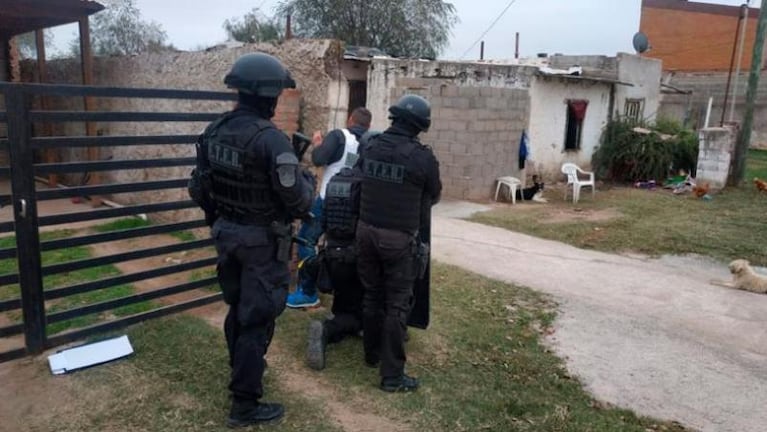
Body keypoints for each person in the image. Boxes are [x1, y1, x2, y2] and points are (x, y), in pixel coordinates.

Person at [188, 52, 315, 427]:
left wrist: (223, 218)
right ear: (271, 96)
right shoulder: (272, 141)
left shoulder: (215, 130)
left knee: (238, 307)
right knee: (256, 318)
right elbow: (298, 202)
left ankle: (242, 368)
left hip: (226, 234)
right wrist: (307, 178)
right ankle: (244, 404)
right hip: (260, 243)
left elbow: (199, 188)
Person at [355, 94, 441, 392]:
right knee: (396, 305)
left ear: (394, 118)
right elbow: (434, 194)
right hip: (397, 240)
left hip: (364, 232)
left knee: (371, 295)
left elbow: (358, 178)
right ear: (420, 126)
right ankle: (391, 375)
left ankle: (371, 354)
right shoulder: (422, 157)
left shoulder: (371, 145)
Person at [286, 107, 372, 309]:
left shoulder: (339, 135)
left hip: (328, 199)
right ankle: (341, 292)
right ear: (368, 125)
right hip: (354, 205)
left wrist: (317, 143)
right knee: (343, 248)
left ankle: (307, 291)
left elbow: (318, 159)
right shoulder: (369, 143)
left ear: (350, 119)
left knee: (306, 240)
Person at [305, 167, 364, 370]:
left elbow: (324, 219)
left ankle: (337, 324)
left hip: (332, 256)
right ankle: (329, 328)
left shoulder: (336, 180)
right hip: (357, 258)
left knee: (344, 300)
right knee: (365, 314)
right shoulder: (367, 184)